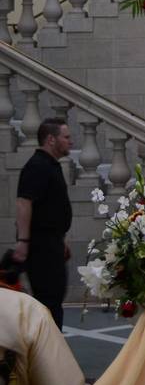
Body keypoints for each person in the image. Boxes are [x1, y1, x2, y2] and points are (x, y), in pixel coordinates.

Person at [13, 118, 74, 330]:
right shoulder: (37, 166)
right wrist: (23, 241)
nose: (70, 142)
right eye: (66, 137)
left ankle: (52, 351)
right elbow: (23, 203)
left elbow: (49, 208)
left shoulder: (50, 165)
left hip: (52, 243)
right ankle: (50, 354)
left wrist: (60, 239)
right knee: (48, 301)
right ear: (51, 139)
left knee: (54, 298)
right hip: (41, 246)